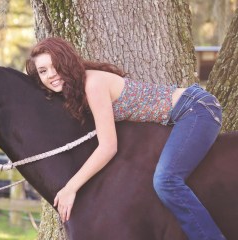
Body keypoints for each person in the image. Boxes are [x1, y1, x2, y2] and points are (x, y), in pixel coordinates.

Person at [26, 37, 225, 240]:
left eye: (55, 66)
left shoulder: (92, 84)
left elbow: (108, 147)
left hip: (196, 109)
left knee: (166, 181)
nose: (51, 74)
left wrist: (70, 188)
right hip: (180, 116)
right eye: (43, 71)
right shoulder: (76, 91)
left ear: (66, 61)